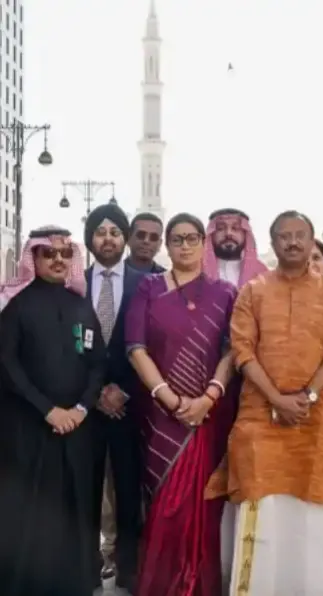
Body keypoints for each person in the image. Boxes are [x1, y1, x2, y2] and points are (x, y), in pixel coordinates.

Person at [214, 211, 323, 594]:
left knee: (313, 517)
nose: (292, 242)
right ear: (273, 243)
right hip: (261, 421)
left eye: (300, 236)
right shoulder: (253, 291)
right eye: (284, 236)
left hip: (315, 420)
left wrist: (305, 398)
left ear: (311, 242)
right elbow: (242, 351)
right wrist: (276, 399)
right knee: (264, 512)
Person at [125, 213, 239, 595]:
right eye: (177, 239)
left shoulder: (224, 292)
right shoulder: (148, 289)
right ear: (168, 245)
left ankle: (198, 584)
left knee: (201, 505)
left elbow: (231, 351)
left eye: (192, 238)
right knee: (164, 501)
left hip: (208, 415)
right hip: (160, 414)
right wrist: (167, 397)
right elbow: (136, 348)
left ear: (203, 244)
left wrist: (209, 397)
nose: (185, 245)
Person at [0, 227, 105, 595]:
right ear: (35, 259)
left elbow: (97, 364)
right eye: (49, 253)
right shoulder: (15, 305)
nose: (58, 260)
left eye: (65, 253)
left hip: (76, 428)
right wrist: (48, 411)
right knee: (30, 507)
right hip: (28, 429)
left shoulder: (80, 304)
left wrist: (79, 408)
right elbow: (7, 367)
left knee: (73, 506)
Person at [83, 203, 146, 590]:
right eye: (100, 231)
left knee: (128, 490)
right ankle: (85, 566)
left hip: (130, 405)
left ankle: (129, 568)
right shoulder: (75, 281)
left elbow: (153, 344)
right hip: (86, 408)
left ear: (125, 238)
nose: (107, 238)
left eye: (114, 232)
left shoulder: (147, 283)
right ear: (90, 239)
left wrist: (124, 390)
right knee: (86, 491)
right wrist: (94, 393)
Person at [202, 207, 268, 287]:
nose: (228, 233)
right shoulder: (196, 270)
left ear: (245, 234)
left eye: (236, 228)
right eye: (220, 229)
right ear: (211, 234)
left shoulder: (261, 272)